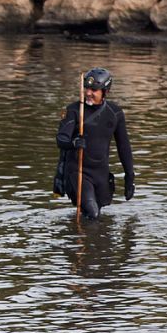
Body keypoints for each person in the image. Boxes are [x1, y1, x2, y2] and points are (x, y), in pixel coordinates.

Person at [54, 67, 134, 221]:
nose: (88, 93)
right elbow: (61, 139)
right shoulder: (74, 110)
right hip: (78, 171)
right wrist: (74, 142)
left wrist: (129, 177)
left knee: (95, 215)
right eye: (87, 88)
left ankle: (87, 240)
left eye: (94, 90)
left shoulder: (115, 113)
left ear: (105, 92)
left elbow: (123, 146)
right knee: (92, 213)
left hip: (101, 173)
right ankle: (83, 242)